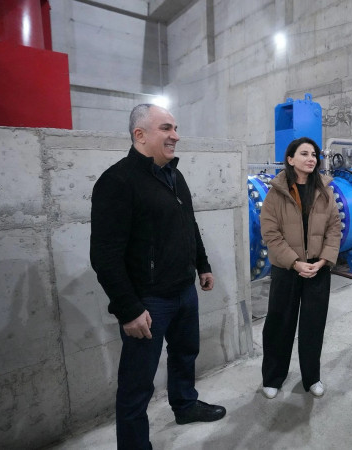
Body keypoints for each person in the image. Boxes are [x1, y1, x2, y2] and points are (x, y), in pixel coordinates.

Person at [90, 104, 226, 450]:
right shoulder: (117, 181)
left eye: (175, 128)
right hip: (148, 301)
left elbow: (188, 225)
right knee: (137, 383)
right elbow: (104, 256)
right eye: (166, 128)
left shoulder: (174, 176)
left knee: (185, 354)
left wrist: (202, 265)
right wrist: (128, 309)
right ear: (140, 135)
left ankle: (185, 405)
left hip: (184, 291)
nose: (175, 136)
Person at [259, 137, 342, 399]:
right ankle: (273, 377)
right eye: (304, 153)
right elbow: (270, 233)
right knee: (279, 324)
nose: (311, 158)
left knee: (313, 326)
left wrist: (324, 260)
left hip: (318, 269)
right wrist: (295, 263)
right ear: (290, 159)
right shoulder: (276, 193)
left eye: (314, 154)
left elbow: (335, 228)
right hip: (287, 269)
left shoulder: (325, 190)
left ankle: (312, 377)